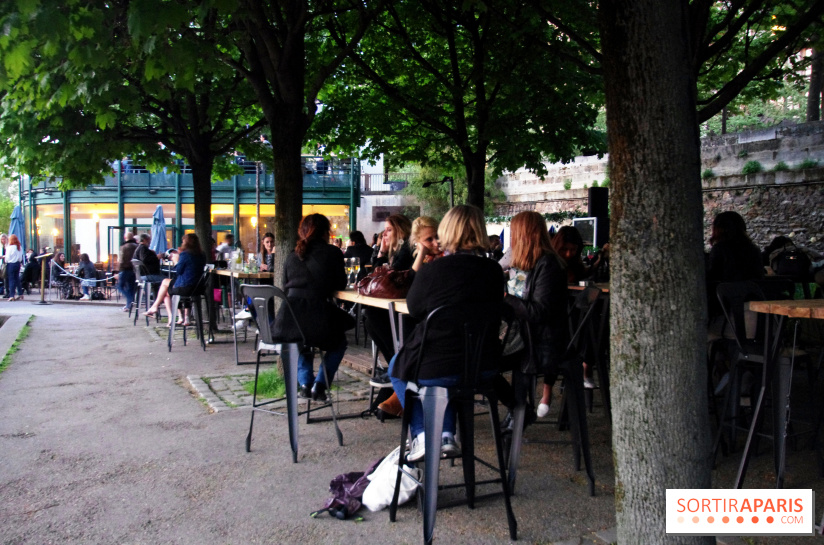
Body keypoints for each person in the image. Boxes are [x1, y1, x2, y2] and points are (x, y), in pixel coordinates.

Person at [388, 205, 504, 461]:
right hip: (483, 366)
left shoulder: (434, 270)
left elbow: (415, 309)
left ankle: (423, 434)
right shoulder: (494, 271)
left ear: (447, 231)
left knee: (397, 367)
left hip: (438, 367)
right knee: (448, 372)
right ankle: (446, 435)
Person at [499, 211, 570, 420]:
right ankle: (517, 410)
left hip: (540, 344)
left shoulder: (548, 265)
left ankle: (518, 411)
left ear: (523, 234)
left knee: (482, 360)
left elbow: (539, 312)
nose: (511, 237)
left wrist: (504, 297)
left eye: (514, 232)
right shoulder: (525, 264)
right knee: (478, 357)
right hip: (524, 337)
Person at [272, 214, 348, 401]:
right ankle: (320, 385)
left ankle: (305, 383)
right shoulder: (333, 253)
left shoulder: (291, 256)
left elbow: (284, 286)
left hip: (288, 320)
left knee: (300, 339)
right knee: (340, 343)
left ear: (302, 231)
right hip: (318, 316)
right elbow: (340, 283)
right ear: (325, 232)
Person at [365, 214, 414, 366]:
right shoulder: (397, 250)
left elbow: (384, 279)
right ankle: (394, 362)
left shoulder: (406, 249)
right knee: (369, 319)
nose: (384, 234)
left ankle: (397, 362)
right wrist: (382, 252)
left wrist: (382, 252)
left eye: (389, 230)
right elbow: (377, 274)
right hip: (396, 299)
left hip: (406, 303)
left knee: (372, 316)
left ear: (400, 231)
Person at [144, 233, 207, 326]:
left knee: (166, 289)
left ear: (186, 243)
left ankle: (169, 315)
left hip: (185, 287)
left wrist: (176, 260)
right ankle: (185, 317)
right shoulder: (202, 254)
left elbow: (178, 271)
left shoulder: (185, 254)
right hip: (198, 287)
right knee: (166, 285)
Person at [118, 232, 138, 311]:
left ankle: (130, 300)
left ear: (125, 237)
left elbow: (121, 260)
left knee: (120, 286)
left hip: (125, 269)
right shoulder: (136, 246)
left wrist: (119, 271)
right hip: (134, 270)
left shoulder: (124, 247)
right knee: (131, 288)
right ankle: (128, 305)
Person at [4, 234, 24, 300]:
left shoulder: (10, 247)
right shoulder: (19, 247)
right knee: (17, 278)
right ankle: (20, 293)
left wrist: (6, 260)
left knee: (11, 279)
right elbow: (21, 257)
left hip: (11, 264)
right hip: (17, 263)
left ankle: (12, 295)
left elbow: (7, 257)